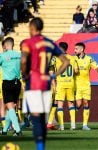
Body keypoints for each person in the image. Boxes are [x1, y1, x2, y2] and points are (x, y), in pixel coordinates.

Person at [21, 17, 69, 150]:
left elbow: (24, 61)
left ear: (32, 27)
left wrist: (24, 74)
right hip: (46, 83)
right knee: (42, 117)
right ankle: (42, 146)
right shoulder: (50, 43)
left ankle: (40, 148)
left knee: (35, 117)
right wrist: (54, 75)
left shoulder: (28, 43)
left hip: (34, 81)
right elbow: (65, 61)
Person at [75, 42, 98, 130]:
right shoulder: (73, 59)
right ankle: (72, 121)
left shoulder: (89, 59)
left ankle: (84, 125)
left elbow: (97, 67)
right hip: (76, 85)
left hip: (86, 85)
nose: (74, 51)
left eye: (76, 49)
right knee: (78, 104)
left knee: (86, 103)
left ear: (82, 49)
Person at [54, 42, 78, 131]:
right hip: (70, 83)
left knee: (60, 105)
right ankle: (73, 125)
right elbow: (76, 71)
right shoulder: (72, 58)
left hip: (61, 83)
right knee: (71, 104)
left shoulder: (57, 58)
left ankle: (62, 126)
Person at [0, 37, 22, 136]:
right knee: (11, 108)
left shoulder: (2, 56)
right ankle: (4, 130)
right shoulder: (19, 55)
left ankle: (18, 130)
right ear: (13, 44)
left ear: (5, 45)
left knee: (10, 107)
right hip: (18, 83)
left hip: (7, 83)